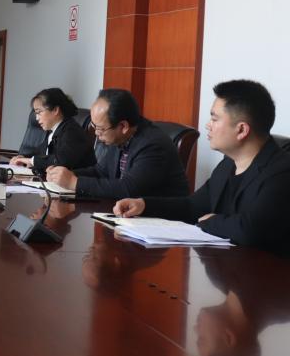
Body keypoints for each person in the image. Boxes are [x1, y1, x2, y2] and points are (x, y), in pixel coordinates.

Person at [114, 80, 290, 256]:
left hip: (265, 270)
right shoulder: (228, 164)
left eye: (214, 119)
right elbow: (192, 206)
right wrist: (144, 204)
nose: (208, 125)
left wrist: (211, 221)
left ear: (242, 130)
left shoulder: (282, 171)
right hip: (227, 265)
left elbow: (251, 230)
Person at [45, 88, 189, 200]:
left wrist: (74, 183)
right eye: (94, 126)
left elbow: (128, 189)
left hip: (161, 221)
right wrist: (65, 175)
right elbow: (101, 172)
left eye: (100, 129)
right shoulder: (121, 138)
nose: (96, 134)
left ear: (123, 126)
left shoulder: (153, 144)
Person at [9, 88, 95, 175]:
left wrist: (31, 161)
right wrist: (23, 158)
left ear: (55, 110)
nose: (37, 118)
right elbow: (39, 152)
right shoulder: (54, 131)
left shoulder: (72, 132)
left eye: (39, 112)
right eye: (36, 113)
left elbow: (61, 160)